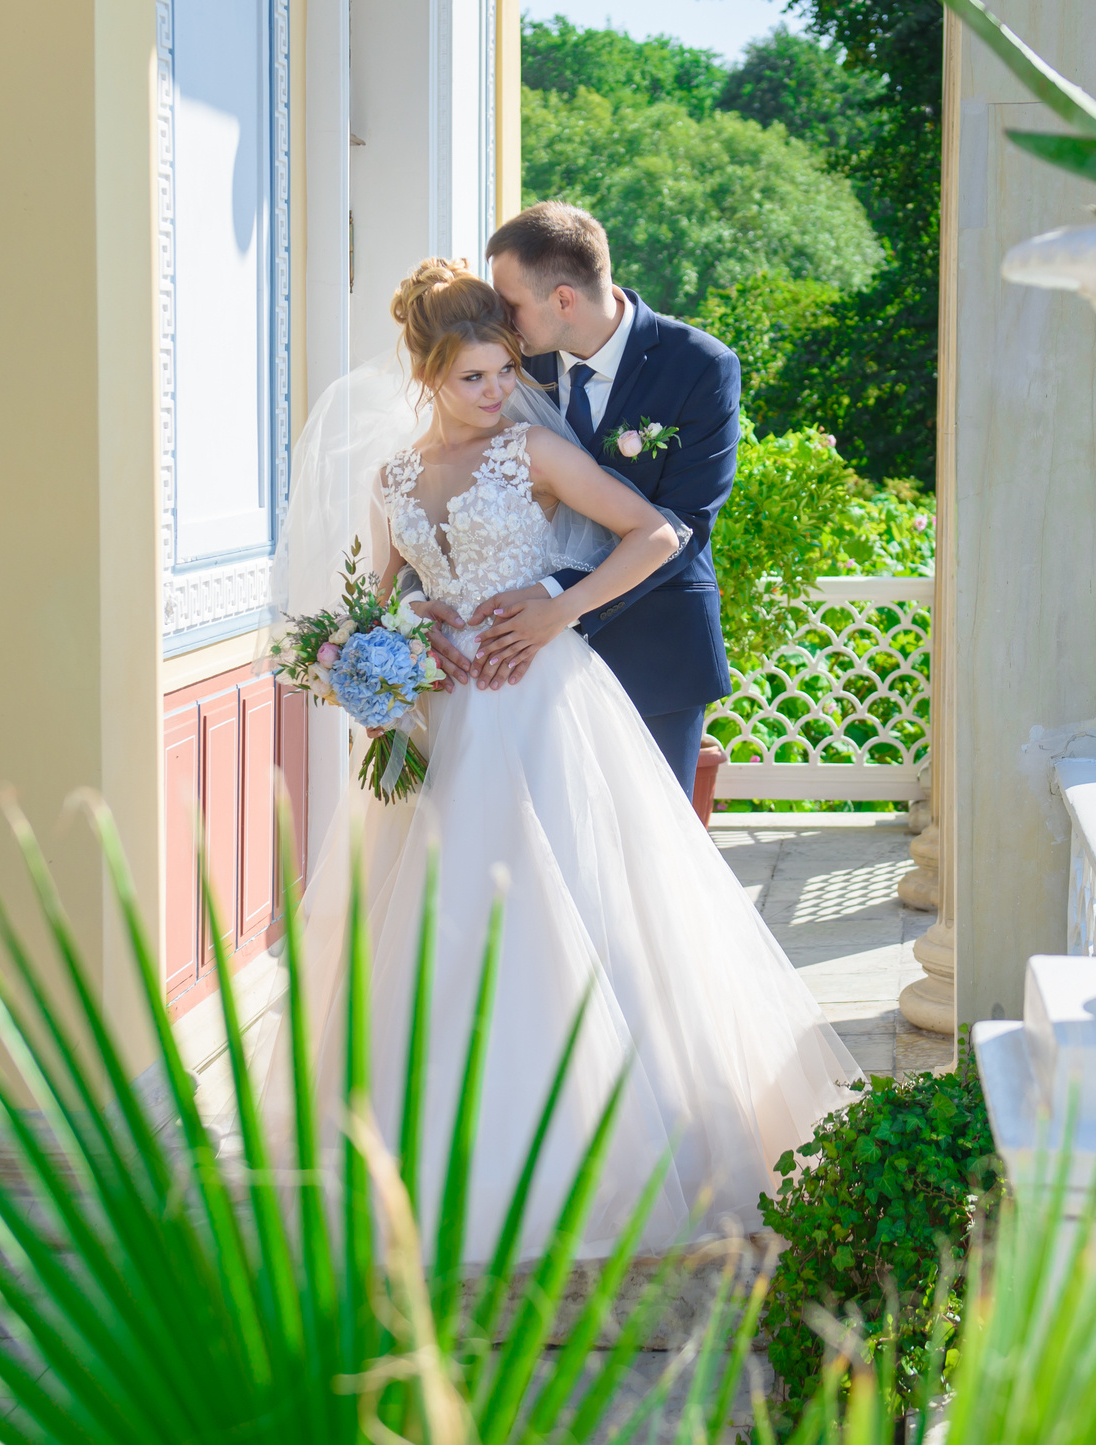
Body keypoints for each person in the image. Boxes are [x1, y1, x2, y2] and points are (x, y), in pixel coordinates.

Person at [276, 257, 856, 1259]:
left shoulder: (531, 451)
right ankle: (427, 1165)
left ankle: (604, 1148)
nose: (498, 391)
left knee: (570, 906)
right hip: (439, 719)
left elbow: (656, 532)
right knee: (438, 920)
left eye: (506, 370)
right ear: (427, 374)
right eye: (474, 377)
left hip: (537, 702)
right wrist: (389, 653)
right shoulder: (394, 477)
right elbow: (378, 594)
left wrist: (558, 609)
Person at [433, 202, 740, 802]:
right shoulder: (507, 364)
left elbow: (683, 525)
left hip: (655, 650)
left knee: (648, 841)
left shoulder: (699, 366)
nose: (501, 318)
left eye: (510, 302)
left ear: (563, 299)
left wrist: (558, 601)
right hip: (518, 672)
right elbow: (449, 487)